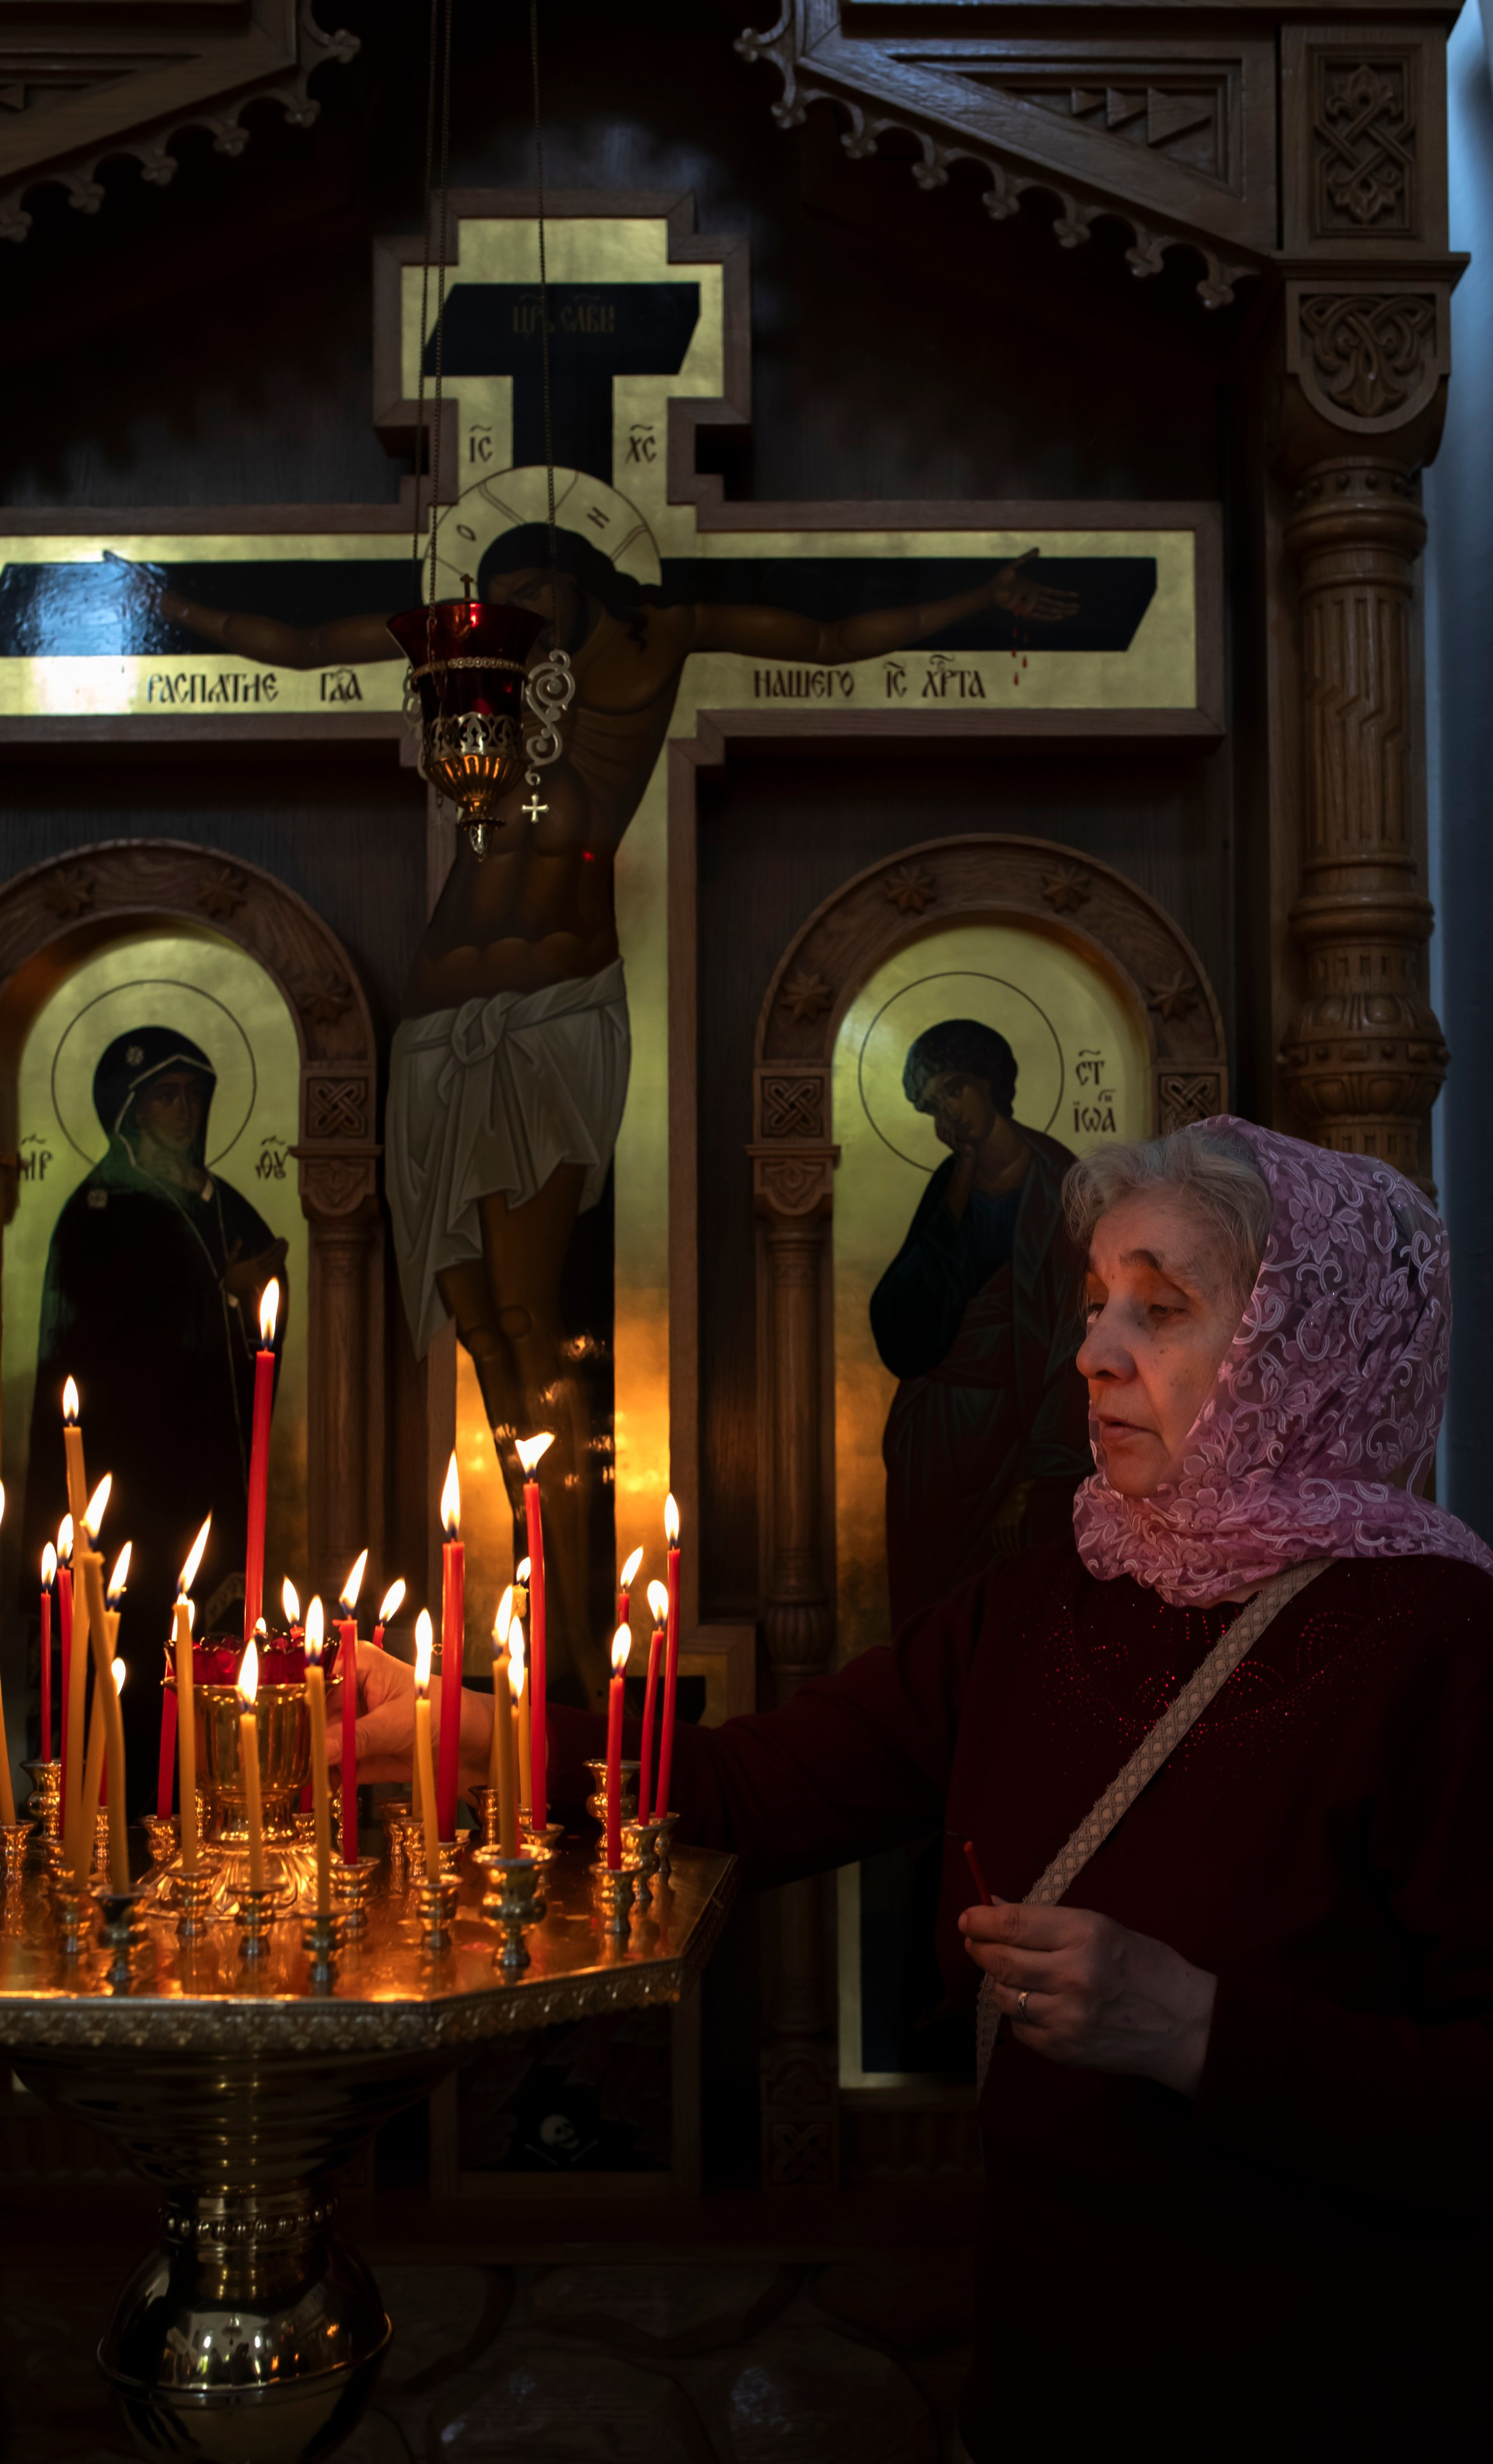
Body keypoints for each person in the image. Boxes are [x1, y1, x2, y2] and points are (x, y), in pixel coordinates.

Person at [355, 1116, 1493, 2464]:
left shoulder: (1447, 1656)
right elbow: (753, 1789)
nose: (1092, 1349)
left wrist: (1198, 2031)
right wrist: (481, 1740)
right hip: (1074, 2462)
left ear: (1307, 1345)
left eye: (1157, 1308)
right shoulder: (1045, 1602)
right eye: (1095, 1299)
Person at [131, 530, 1077, 1700]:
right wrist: (182, 614)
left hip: (550, 1019)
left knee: (531, 1318)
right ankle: (531, 1599)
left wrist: (981, 595)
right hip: (438, 1032)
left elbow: (828, 639)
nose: (511, 611)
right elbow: (312, 646)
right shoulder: (469, 677)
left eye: (531, 587)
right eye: (496, 595)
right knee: (479, 1328)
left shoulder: (651, 645)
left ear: (581, 575)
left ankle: (575, 1633)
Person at [25, 1027, 287, 1807]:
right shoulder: (103, 1209)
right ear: (129, 1111)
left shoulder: (229, 1206)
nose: (186, 1109)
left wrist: (246, 1303)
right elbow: (98, 1333)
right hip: (130, 1469)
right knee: (133, 1661)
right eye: (167, 1095)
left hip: (216, 1467)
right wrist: (215, 1291)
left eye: (195, 1094)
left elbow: (263, 1329)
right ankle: (123, 1828)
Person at [870, 1018, 1090, 1628]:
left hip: (1014, 1432)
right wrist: (963, 1173)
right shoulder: (950, 1185)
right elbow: (902, 1316)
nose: (950, 1112)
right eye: (933, 1103)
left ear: (990, 1081)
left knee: (1008, 1613)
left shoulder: (1059, 1183)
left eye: (956, 1088)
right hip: (936, 1441)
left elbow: (1075, 1335)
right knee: (929, 1612)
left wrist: (1030, 1480)